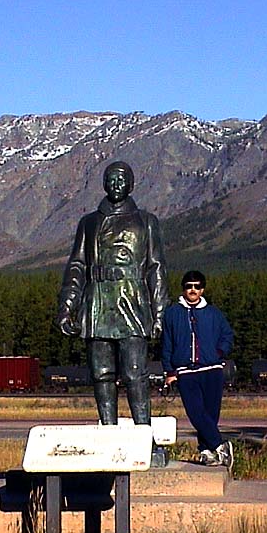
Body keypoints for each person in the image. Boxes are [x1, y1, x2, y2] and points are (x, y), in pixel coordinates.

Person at [56, 161, 169, 430]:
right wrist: (67, 307)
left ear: (131, 184)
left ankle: (144, 435)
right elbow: (77, 266)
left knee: (135, 374)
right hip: (97, 304)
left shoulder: (146, 221)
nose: (116, 184)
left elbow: (156, 268)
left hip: (133, 303)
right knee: (101, 374)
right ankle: (108, 432)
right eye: (111, 179)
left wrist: (160, 313)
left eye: (121, 179)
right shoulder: (89, 223)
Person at [161, 270, 234, 468]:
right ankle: (220, 445)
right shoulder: (172, 313)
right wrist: (169, 371)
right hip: (185, 371)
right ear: (183, 289)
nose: (192, 290)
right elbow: (167, 342)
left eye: (196, 286)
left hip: (212, 370)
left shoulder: (213, 313)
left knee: (211, 414)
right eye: (188, 286)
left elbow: (228, 335)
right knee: (195, 413)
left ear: (202, 289)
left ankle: (206, 451)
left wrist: (219, 352)